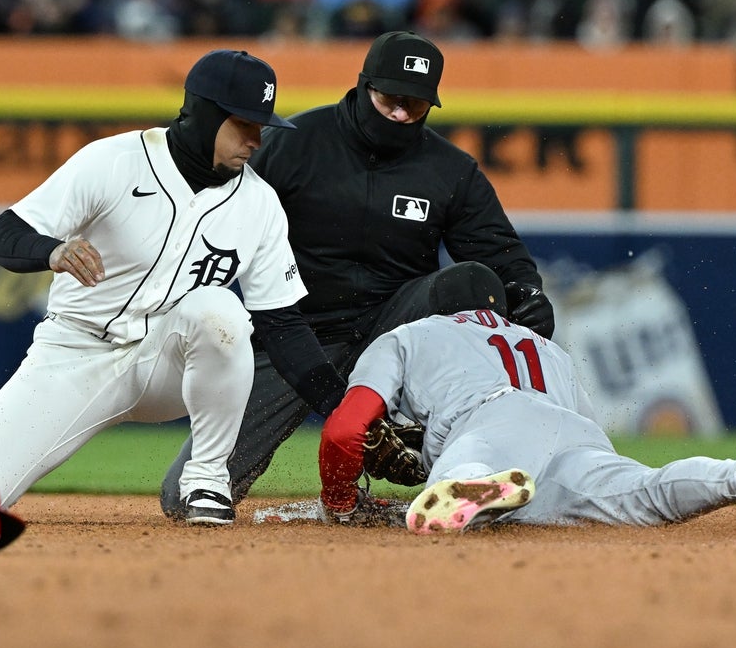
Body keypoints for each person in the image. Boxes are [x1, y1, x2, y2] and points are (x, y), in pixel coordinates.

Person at [0, 49, 351, 546]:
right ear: (204, 113)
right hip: (75, 354)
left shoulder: (258, 202)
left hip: (168, 365)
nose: (256, 140)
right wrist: (52, 251)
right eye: (244, 124)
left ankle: (207, 479)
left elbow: (283, 323)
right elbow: (5, 234)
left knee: (220, 312)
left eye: (262, 126)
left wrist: (342, 409)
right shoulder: (114, 161)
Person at [161, 30, 555, 518]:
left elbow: (501, 256)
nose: (401, 114)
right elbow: (212, 217)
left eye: (415, 104)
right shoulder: (295, 143)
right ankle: (369, 498)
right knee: (182, 498)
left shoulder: (450, 169)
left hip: (398, 333)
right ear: (364, 85)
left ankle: (474, 464)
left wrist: (526, 292)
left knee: (472, 283)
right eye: (392, 99)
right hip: (295, 337)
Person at [316, 286, 736, 535]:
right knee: (644, 492)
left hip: (488, 422)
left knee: (446, 489)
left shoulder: (410, 334)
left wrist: (340, 502)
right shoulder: (547, 347)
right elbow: (588, 428)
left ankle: (473, 484)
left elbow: (344, 431)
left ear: (436, 305)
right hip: (573, 434)